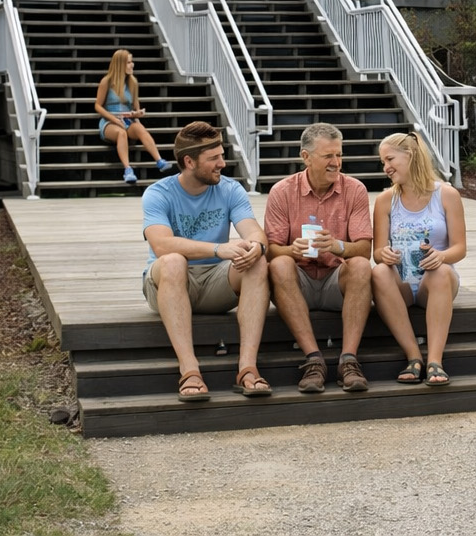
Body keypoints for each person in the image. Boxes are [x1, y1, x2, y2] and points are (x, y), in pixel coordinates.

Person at [141, 121, 271, 401]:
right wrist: (217, 249)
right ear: (188, 161)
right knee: (174, 260)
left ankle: (247, 368)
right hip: (168, 282)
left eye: (221, 156)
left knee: (258, 262)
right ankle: (190, 371)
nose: (222, 164)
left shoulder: (230, 189)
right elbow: (160, 244)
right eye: (214, 158)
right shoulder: (158, 193)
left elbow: (253, 231)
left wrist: (257, 247)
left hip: (215, 284)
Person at [264, 122, 374, 393]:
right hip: (297, 281)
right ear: (306, 157)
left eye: (339, 155)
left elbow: (364, 249)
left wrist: (338, 246)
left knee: (360, 265)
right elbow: (271, 249)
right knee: (279, 263)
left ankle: (348, 360)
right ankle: (314, 359)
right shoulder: (282, 191)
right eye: (328, 156)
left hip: (336, 280)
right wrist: (293, 249)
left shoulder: (355, 189)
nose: (336, 162)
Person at [370, 131, 467, 387]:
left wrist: (441, 255)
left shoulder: (446, 195)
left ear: (410, 155)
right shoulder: (384, 201)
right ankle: (413, 356)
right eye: (383, 162)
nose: (386, 167)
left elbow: (460, 248)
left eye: (390, 159)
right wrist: (385, 255)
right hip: (400, 283)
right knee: (379, 271)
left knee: (441, 271)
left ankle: (436, 360)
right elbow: (377, 252)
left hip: (435, 283)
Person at [95, 48, 169, 184]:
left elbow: (136, 108)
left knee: (140, 129)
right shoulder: (106, 81)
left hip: (127, 120)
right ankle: (128, 170)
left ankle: (159, 161)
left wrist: (138, 113)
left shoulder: (132, 83)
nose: (132, 65)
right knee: (121, 133)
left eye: (131, 61)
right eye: (129, 62)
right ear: (119, 64)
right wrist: (114, 120)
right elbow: (98, 106)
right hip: (109, 121)